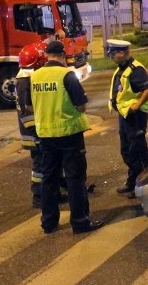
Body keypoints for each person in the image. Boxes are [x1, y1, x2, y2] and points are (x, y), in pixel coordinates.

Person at [30, 40, 103, 235]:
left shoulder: (35, 76)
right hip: (69, 134)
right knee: (75, 178)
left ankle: (48, 223)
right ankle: (79, 222)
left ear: (46, 55)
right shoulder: (67, 75)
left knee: (49, 179)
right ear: (63, 55)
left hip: (45, 135)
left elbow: (31, 104)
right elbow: (81, 105)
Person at [16, 42, 71, 208]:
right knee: (40, 167)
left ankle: (54, 192)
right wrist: (37, 134)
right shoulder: (27, 80)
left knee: (49, 164)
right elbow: (28, 111)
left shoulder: (25, 78)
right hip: (35, 132)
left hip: (36, 130)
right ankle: (39, 196)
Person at [107, 39, 148, 195]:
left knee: (137, 153)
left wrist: (137, 105)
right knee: (127, 151)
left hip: (135, 116)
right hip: (125, 115)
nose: (112, 56)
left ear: (123, 53)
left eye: (114, 53)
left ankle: (145, 187)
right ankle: (132, 182)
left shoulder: (135, 70)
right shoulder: (122, 68)